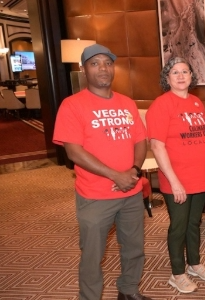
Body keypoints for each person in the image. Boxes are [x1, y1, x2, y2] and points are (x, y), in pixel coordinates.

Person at [52, 44, 151, 300]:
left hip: (130, 192)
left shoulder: (127, 103)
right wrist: (114, 175)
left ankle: (128, 291)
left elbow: (140, 140)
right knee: (92, 255)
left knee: (134, 248)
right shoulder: (72, 105)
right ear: (84, 70)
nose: (102, 68)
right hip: (95, 196)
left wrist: (134, 170)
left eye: (107, 62)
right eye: (94, 63)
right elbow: (73, 152)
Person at [146, 57, 205, 294]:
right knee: (179, 226)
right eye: (175, 72)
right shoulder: (161, 104)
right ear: (167, 78)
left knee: (194, 223)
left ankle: (194, 263)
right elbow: (157, 146)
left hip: (200, 176)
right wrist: (174, 181)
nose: (181, 76)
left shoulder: (196, 102)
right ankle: (177, 273)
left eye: (185, 71)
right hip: (177, 179)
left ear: (191, 76)